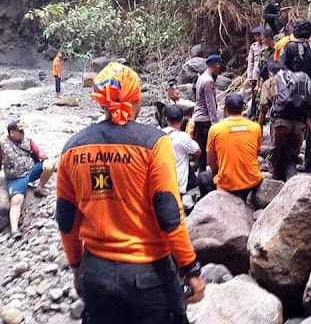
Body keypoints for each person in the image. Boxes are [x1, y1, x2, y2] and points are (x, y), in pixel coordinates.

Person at [56, 62, 205, 323]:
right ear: (136, 99)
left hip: (96, 271)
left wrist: (77, 268)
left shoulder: (72, 148)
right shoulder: (154, 143)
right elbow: (169, 214)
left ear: (101, 101)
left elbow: (67, 219)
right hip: (149, 274)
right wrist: (190, 268)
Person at [279, 18, 311, 171]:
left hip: (291, 95)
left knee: (291, 126)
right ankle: (309, 162)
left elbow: (281, 71)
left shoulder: (288, 47)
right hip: (310, 96)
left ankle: (288, 162)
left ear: (295, 32)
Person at [259, 62, 311, 181]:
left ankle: (277, 185)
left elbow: (263, 107)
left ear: (270, 73)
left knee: (277, 155)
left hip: (280, 123)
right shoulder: (299, 82)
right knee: (292, 157)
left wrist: (259, 127)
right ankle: (291, 182)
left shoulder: (272, 81)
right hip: (299, 125)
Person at [198, 93, 263, 200]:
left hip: (227, 185)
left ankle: (211, 206)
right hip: (252, 181)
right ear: (243, 108)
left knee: (202, 177)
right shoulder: (255, 127)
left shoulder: (215, 129)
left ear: (224, 110)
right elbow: (255, 155)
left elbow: (211, 163)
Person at [0, 120, 54, 239]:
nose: (23, 133)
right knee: (16, 201)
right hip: (16, 177)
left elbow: (38, 152)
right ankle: (15, 230)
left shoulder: (27, 140)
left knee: (51, 165)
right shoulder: (2, 144)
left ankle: (39, 188)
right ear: (12, 133)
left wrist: (45, 159)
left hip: (31, 170)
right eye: (20, 131)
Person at [193, 55, 224, 172]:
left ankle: (202, 171)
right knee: (209, 148)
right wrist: (215, 124)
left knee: (202, 146)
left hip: (198, 118)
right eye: (219, 65)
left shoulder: (202, 77)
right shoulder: (208, 81)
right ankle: (209, 172)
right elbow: (210, 104)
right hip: (205, 119)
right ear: (216, 65)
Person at [163, 105, 201, 197]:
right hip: (178, 185)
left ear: (167, 119)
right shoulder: (183, 137)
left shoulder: (159, 133)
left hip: (162, 183)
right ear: (182, 120)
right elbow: (197, 151)